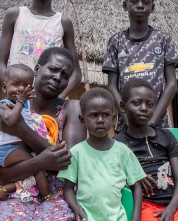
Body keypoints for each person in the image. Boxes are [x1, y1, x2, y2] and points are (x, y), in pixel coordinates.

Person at [0, 47, 86, 220]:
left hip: (60, 197)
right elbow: (1, 174)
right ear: (38, 69)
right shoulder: (7, 109)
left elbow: (67, 164)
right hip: (17, 194)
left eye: (65, 75)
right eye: (54, 70)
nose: (58, 77)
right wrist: (42, 162)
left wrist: (22, 131)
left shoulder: (72, 109)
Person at [0, 0, 81, 98]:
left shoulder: (63, 22)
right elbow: (0, 65)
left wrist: (58, 97)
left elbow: (76, 72)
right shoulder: (15, 15)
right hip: (19, 100)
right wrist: (17, 88)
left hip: (51, 101)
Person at [102, 0, 178, 132]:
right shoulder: (116, 42)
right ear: (125, 5)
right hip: (126, 126)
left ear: (153, 7)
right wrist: (126, 118)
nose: (140, 5)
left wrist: (153, 120)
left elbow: (172, 85)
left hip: (159, 124)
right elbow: (112, 86)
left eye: (145, 1)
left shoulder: (163, 39)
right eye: (134, 1)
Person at [58, 87, 146, 221]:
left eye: (105, 115)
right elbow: (68, 189)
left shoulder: (123, 151)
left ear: (113, 118)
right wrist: (76, 208)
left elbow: (136, 186)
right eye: (93, 115)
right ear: (82, 120)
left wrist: (136, 217)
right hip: (86, 217)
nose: (100, 120)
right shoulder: (77, 152)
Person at [114, 78, 178, 221]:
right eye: (137, 103)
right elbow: (117, 179)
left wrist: (171, 209)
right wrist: (136, 176)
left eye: (150, 104)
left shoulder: (166, 136)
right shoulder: (119, 143)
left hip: (172, 206)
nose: (144, 108)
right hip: (143, 205)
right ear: (122, 106)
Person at [0, 64, 51, 202]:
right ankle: (47, 197)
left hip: (18, 149)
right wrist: (20, 101)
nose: (21, 89)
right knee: (36, 166)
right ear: (5, 87)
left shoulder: (26, 105)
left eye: (26, 86)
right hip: (8, 150)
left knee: (28, 175)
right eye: (16, 85)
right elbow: (10, 120)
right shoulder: (4, 104)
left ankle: (3, 190)